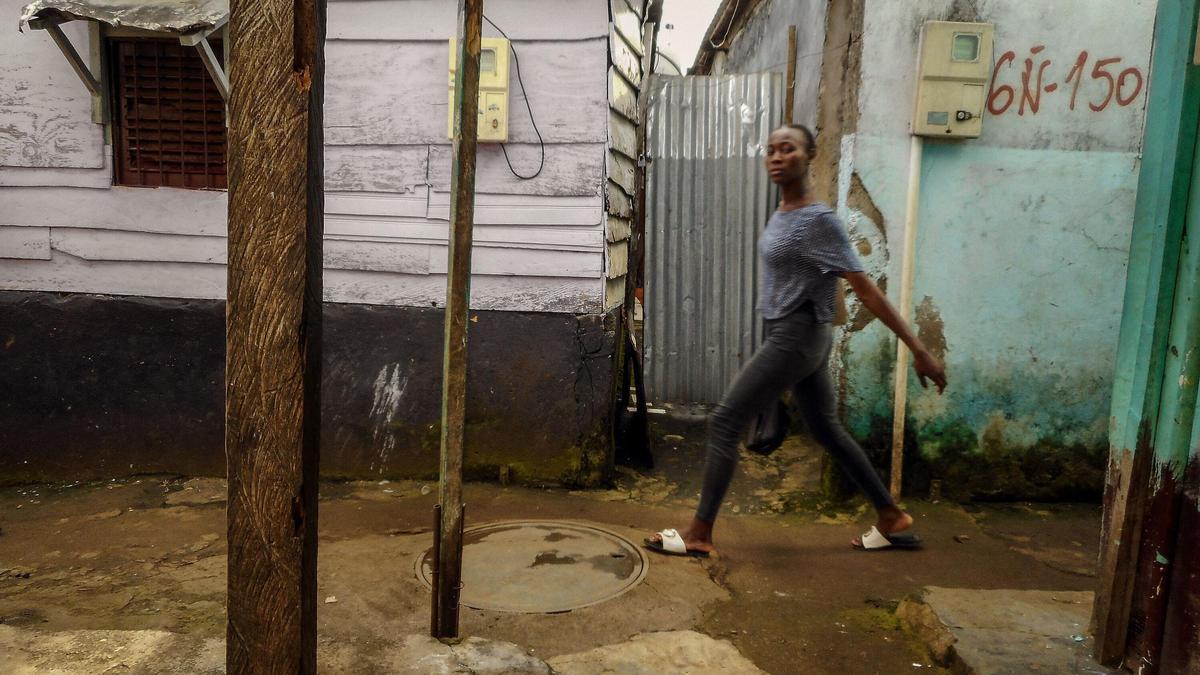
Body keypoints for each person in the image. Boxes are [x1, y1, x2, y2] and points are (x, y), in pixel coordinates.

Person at [646, 124, 947, 557]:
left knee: (727, 421)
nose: (776, 156)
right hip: (797, 335)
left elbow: (865, 289)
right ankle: (890, 515)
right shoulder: (784, 211)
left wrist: (918, 348)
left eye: (787, 149)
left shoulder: (818, 221)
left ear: (809, 155)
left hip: (798, 335)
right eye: (770, 150)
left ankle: (699, 534)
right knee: (826, 427)